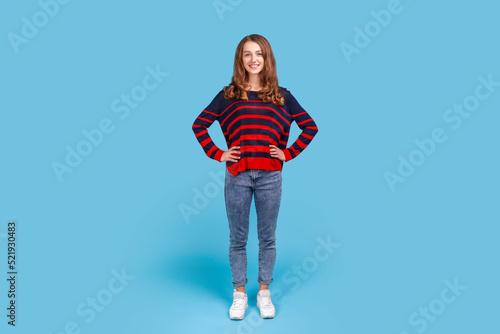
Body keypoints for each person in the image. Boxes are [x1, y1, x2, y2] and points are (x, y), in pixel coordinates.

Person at [192, 34, 318, 320]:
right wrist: (218, 153)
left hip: (270, 176)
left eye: (259, 53)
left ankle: (263, 292)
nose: (253, 59)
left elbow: (309, 127)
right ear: (240, 59)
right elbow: (200, 125)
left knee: (267, 238)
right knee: (237, 238)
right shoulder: (229, 94)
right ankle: (239, 293)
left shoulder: (282, 95)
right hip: (237, 174)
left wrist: (289, 152)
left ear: (267, 58)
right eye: (247, 54)